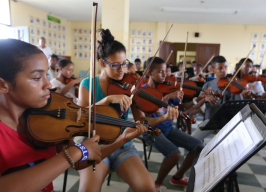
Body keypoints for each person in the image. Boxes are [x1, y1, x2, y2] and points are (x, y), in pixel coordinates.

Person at [0, 38, 147, 192]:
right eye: (37, 78)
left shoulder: (47, 117)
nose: (49, 84)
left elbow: (81, 162)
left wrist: (122, 139)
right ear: (3, 85)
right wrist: (75, 152)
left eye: (46, 76)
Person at [77, 29, 155, 192]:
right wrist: (107, 100)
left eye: (124, 63)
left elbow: (141, 119)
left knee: (148, 188)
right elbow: (80, 117)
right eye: (115, 65)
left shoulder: (130, 86)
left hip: (123, 145)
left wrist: (158, 119)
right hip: (94, 144)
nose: (122, 70)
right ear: (102, 63)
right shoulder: (87, 84)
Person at [132, 57, 205, 191]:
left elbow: (182, 107)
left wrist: (197, 100)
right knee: (174, 154)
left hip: (168, 129)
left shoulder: (167, 88)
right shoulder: (141, 93)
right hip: (151, 131)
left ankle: (177, 177)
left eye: (166, 71)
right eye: (160, 72)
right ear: (149, 72)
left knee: (199, 147)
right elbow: (144, 119)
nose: (165, 75)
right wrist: (165, 98)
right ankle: (157, 184)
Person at [187, 56, 250, 141]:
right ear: (212, 70)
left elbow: (240, 107)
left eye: (225, 67)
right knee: (192, 140)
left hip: (227, 123)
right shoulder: (208, 85)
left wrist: (245, 97)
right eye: (220, 68)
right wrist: (204, 99)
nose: (223, 70)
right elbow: (198, 106)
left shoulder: (234, 86)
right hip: (210, 121)